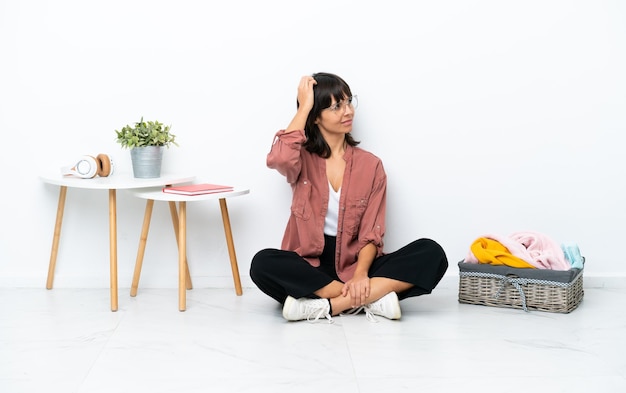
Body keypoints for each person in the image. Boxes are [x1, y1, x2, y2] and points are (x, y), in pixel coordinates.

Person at [250, 72, 448, 323]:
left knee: (431, 252)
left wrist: (361, 275)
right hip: (311, 264)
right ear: (316, 117)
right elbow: (278, 158)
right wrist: (304, 107)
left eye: (348, 102)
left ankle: (327, 306)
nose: (348, 111)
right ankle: (372, 299)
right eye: (336, 106)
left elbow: (371, 233)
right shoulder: (300, 161)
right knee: (263, 263)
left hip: (357, 262)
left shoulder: (371, 165)